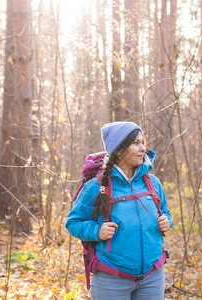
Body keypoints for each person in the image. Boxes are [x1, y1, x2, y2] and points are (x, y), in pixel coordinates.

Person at [66, 121, 173, 299]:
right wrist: (97, 231)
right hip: (111, 278)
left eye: (142, 142)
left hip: (152, 277)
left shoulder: (152, 183)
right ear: (118, 150)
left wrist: (167, 221)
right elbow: (73, 223)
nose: (143, 148)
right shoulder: (97, 186)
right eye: (135, 143)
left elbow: (165, 212)